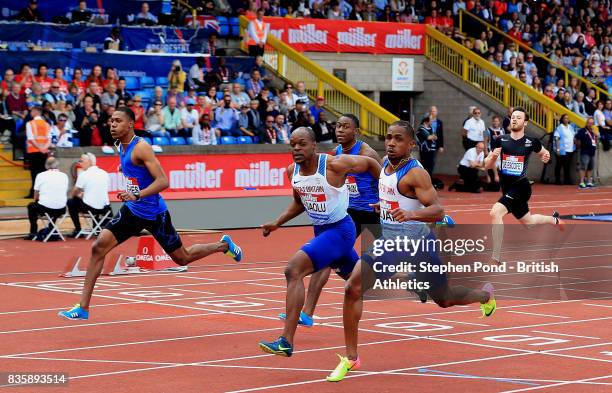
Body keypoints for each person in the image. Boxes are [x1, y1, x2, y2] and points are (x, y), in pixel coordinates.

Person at [328, 121, 496, 382]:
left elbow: (438, 210)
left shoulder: (417, 174)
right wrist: (381, 206)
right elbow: (391, 195)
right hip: (390, 244)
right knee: (352, 288)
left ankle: (485, 296)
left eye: (398, 139)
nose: (392, 143)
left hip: (419, 246)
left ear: (411, 145)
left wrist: (411, 213)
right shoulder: (384, 163)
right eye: (388, 138)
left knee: (445, 299)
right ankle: (351, 358)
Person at [58, 107, 242, 320]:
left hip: (155, 214)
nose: (113, 125)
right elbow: (136, 172)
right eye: (111, 121)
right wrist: (126, 172)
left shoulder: (141, 148)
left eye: (118, 121)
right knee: (98, 247)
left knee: (183, 258)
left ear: (130, 124)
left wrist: (137, 194)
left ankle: (223, 245)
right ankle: (83, 307)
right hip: (132, 211)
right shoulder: (120, 145)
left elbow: (164, 181)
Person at [258, 127, 382, 357]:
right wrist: (278, 222)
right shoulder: (291, 171)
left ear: (314, 145)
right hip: (322, 232)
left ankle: (286, 340)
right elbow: (299, 201)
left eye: (302, 143)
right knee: (361, 284)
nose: (296, 148)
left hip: (341, 231)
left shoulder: (335, 164)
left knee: (293, 270)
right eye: (293, 144)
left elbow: (372, 164)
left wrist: (386, 195)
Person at [485, 107, 565, 266]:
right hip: (507, 188)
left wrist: (546, 156)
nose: (514, 119)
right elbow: (487, 165)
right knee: (529, 223)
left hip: (521, 187)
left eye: (519, 117)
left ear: (525, 122)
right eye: (513, 117)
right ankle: (553, 220)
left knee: (495, 213)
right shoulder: (500, 140)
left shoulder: (531, 141)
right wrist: (493, 157)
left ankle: (496, 257)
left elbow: (544, 153)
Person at [67, 153, 111, 237]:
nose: (80, 163)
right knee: (94, 201)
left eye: (82, 161)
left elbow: (75, 190)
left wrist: (76, 196)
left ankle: (78, 229)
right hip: (105, 208)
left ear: (90, 162)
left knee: (71, 202)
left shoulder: (84, 174)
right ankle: (97, 227)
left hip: (90, 208)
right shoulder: (104, 173)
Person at [25, 157, 69, 240]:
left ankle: (33, 231)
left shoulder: (41, 175)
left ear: (46, 166)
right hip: (61, 209)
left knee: (31, 206)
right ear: (57, 165)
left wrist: (38, 200)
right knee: (55, 202)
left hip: (46, 208)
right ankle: (51, 227)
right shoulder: (64, 176)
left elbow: (36, 195)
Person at [25, 104, 51, 198]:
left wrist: (39, 148)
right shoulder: (47, 124)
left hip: (33, 152)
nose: (30, 113)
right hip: (43, 153)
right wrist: (43, 149)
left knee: (34, 173)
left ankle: (33, 193)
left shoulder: (30, 123)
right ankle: (43, 192)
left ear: (36, 112)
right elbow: (49, 139)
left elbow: (31, 139)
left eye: (32, 111)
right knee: (42, 173)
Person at [574, 117, 598, 189]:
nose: (590, 124)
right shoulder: (582, 130)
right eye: (589, 123)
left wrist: (596, 137)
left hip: (592, 152)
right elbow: (576, 138)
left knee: (590, 167)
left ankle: (589, 182)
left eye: (591, 123)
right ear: (586, 123)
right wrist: (578, 146)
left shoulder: (592, 131)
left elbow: (594, 141)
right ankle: (581, 182)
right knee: (583, 167)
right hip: (585, 152)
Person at [553, 114, 576, 185]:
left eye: (567, 118)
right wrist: (558, 150)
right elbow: (557, 138)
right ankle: (557, 180)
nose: (566, 119)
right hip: (562, 150)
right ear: (562, 119)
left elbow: (574, 136)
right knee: (559, 165)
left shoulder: (571, 127)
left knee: (567, 166)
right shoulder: (559, 128)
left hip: (570, 149)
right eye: (565, 118)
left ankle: (567, 180)